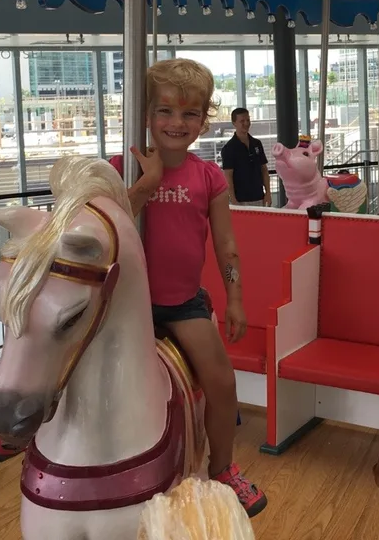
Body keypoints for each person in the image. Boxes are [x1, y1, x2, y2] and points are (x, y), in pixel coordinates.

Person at [113, 57, 268, 517]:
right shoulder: (121, 167)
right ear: (146, 115)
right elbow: (107, 222)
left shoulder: (209, 177)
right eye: (165, 111)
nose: (176, 123)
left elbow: (225, 245)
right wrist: (149, 182)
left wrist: (235, 298)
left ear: (203, 120)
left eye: (189, 114)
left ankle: (222, 469)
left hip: (181, 304)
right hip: (124, 304)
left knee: (222, 383)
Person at [221, 107, 272, 207]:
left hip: (259, 197)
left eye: (248, 120)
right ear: (234, 123)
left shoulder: (257, 143)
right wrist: (233, 200)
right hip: (240, 200)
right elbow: (228, 177)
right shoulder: (229, 148)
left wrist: (268, 193)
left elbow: (264, 170)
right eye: (242, 121)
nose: (246, 123)